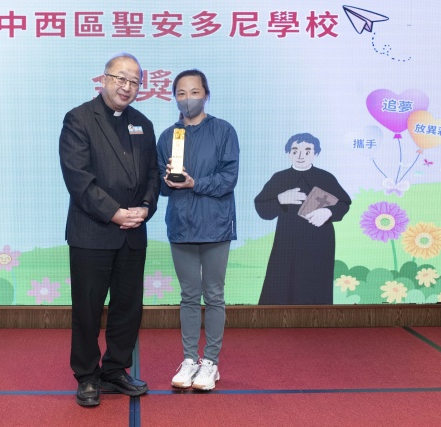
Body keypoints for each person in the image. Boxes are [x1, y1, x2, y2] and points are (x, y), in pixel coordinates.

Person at [59, 53, 160, 407]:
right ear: (103, 79)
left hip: (133, 233)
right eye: (120, 78)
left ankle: (115, 370)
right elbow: (78, 178)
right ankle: (87, 375)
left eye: (134, 82)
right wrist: (115, 213)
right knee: (87, 309)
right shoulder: (79, 119)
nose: (126, 87)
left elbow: (153, 174)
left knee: (128, 308)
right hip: (92, 232)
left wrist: (145, 207)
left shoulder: (143, 124)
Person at [156, 69, 239, 391]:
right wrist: (166, 182)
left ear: (206, 94)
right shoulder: (168, 137)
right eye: (181, 93)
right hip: (181, 225)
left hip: (215, 225)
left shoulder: (223, 131)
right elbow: (161, 187)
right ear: (174, 98)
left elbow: (228, 179)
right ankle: (190, 359)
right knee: (189, 296)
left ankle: (211, 363)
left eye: (194, 92)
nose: (188, 99)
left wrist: (195, 183)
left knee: (214, 295)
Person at [254, 133, 351, 305]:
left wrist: (328, 212)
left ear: (316, 154)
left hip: (320, 241)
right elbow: (262, 208)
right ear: (288, 153)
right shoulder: (279, 178)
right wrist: (280, 199)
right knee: (282, 281)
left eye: (307, 151)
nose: (300, 155)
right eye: (295, 151)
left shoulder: (325, 177)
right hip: (287, 240)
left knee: (316, 282)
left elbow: (344, 203)